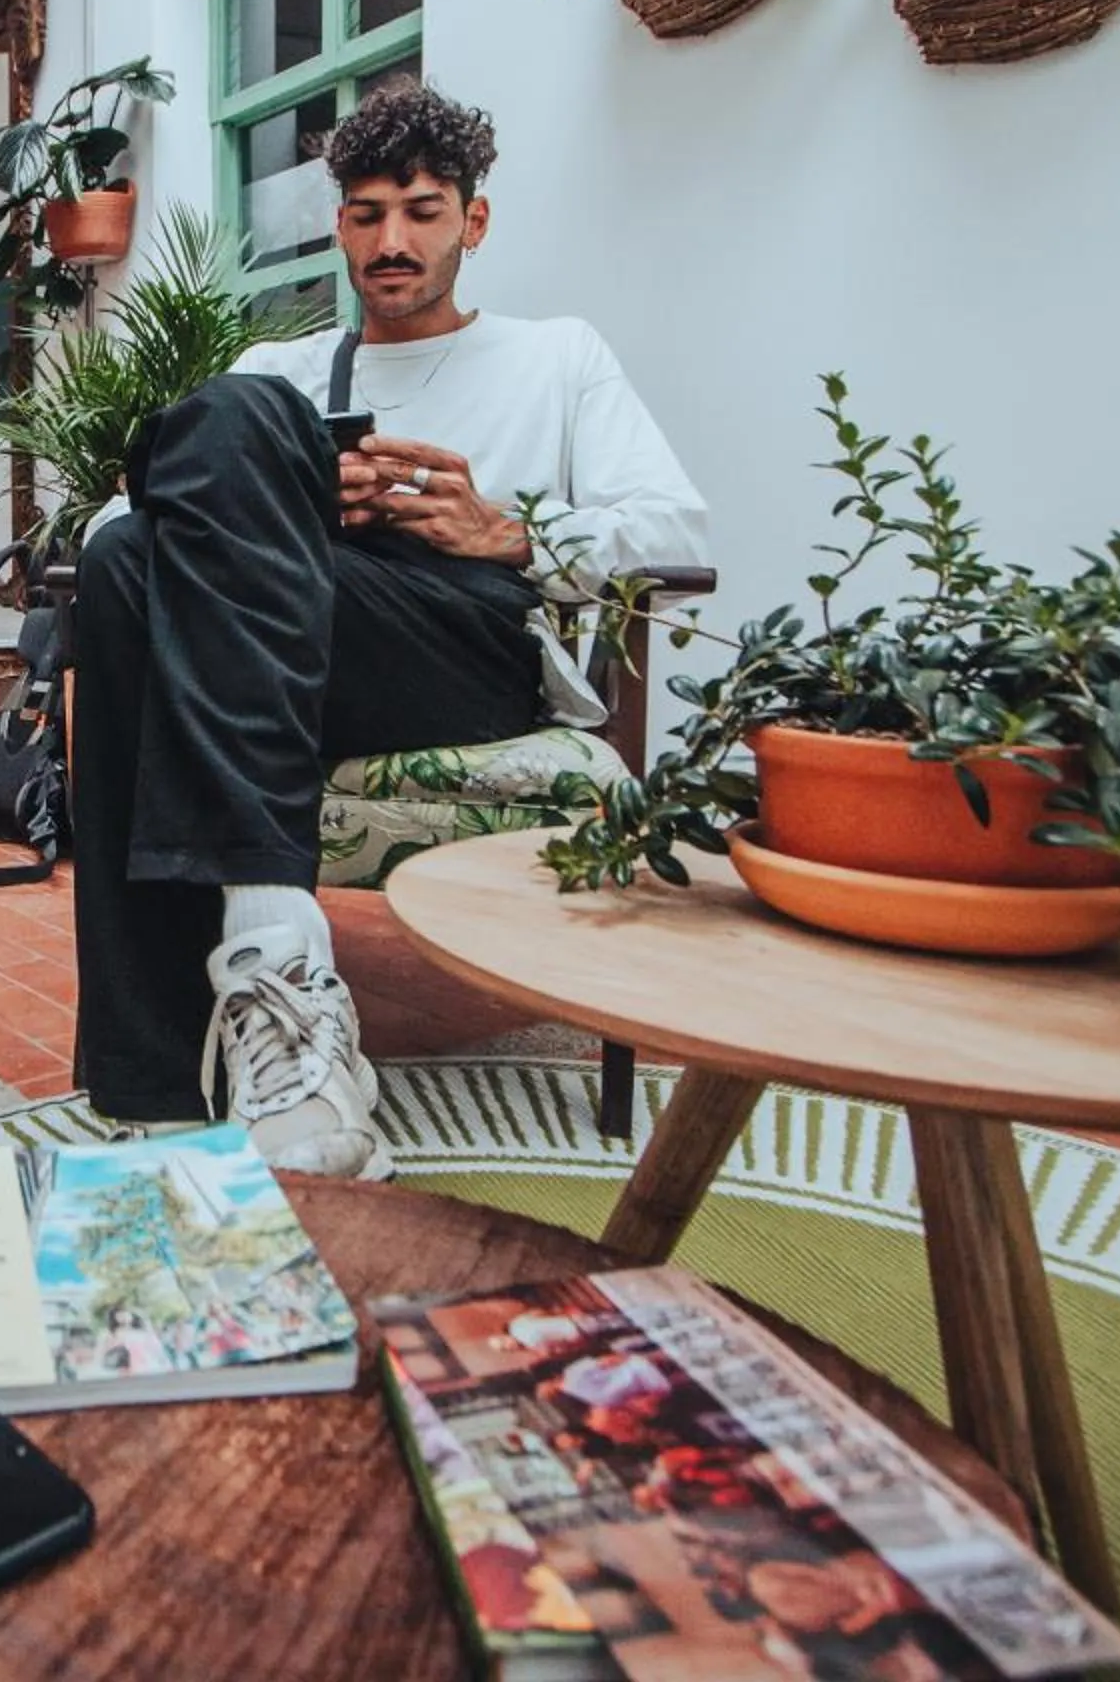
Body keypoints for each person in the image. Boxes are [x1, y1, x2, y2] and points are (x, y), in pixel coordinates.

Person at [69, 82, 711, 1176]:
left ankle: (225, 1010)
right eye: (366, 214)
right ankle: (213, 1047)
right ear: (339, 229)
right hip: (296, 625)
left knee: (179, 509)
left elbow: (676, 525)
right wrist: (298, 503)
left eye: (421, 209)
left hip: (465, 637)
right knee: (155, 519)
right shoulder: (287, 369)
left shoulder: (557, 355)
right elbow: (112, 527)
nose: (393, 240)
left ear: (474, 220)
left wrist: (506, 529)